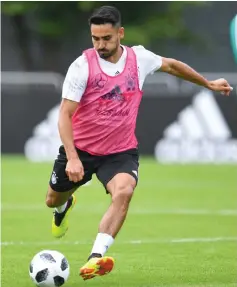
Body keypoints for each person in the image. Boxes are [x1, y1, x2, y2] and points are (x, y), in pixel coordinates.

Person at [45, 5, 233, 281]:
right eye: (95, 38)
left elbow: (171, 65)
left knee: (124, 191)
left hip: (120, 151)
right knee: (52, 199)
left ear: (120, 33)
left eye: (106, 38)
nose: (100, 45)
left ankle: (95, 257)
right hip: (82, 151)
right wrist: (72, 158)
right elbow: (65, 115)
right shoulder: (82, 66)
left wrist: (208, 84)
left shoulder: (140, 58)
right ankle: (64, 207)